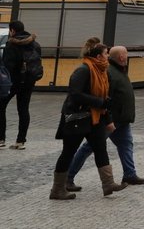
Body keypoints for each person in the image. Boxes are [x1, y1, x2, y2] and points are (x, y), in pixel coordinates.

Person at [50, 37, 128, 200]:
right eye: (106, 54)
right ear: (98, 56)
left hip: (95, 118)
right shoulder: (84, 70)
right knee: (68, 152)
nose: (107, 56)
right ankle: (57, 189)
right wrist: (99, 102)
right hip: (78, 118)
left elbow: (105, 97)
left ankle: (108, 184)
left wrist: (108, 120)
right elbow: (75, 95)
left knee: (100, 149)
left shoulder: (102, 71)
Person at [66, 45, 144, 191]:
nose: (127, 57)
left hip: (122, 119)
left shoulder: (119, 70)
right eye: (126, 54)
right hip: (110, 119)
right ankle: (68, 177)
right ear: (122, 57)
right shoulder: (109, 72)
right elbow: (104, 97)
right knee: (89, 147)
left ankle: (130, 174)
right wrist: (108, 119)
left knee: (126, 144)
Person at [0, 20, 40, 150]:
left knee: (1, 106)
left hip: (13, 81)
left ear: (12, 31)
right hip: (29, 81)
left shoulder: (11, 45)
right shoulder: (35, 44)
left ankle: (1, 139)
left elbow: (7, 66)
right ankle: (20, 141)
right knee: (23, 109)